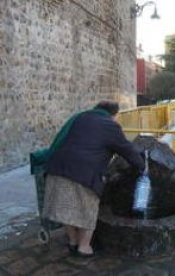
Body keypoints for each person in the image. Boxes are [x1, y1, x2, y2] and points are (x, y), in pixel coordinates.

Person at [43, 100, 145, 257]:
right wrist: (141, 166)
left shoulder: (79, 118)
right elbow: (126, 149)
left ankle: (73, 242)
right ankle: (84, 248)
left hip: (57, 168)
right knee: (88, 210)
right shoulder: (110, 125)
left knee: (64, 208)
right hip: (83, 173)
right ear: (113, 115)